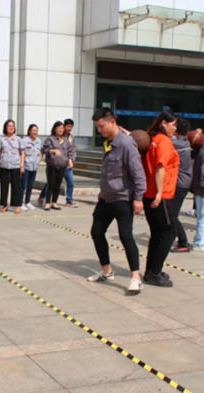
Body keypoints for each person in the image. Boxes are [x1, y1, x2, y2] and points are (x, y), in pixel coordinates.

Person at [87, 108, 146, 294]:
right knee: (96, 232)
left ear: (112, 121)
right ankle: (107, 271)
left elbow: (138, 172)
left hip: (122, 199)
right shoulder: (109, 142)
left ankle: (136, 277)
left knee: (126, 236)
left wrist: (138, 198)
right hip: (106, 198)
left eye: (101, 126)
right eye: (97, 127)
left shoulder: (127, 143)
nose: (99, 130)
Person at [142, 110, 179, 288]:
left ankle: (151, 271)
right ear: (164, 123)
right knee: (169, 232)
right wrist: (159, 192)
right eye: (173, 125)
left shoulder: (152, 139)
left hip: (149, 193)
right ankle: (154, 272)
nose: (175, 128)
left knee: (157, 234)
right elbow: (160, 167)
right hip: (161, 195)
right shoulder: (163, 141)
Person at [169, 117, 192, 253]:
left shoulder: (178, 143)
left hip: (180, 184)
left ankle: (183, 242)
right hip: (181, 182)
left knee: (172, 215)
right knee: (171, 214)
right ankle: (172, 237)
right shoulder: (185, 141)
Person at [42, 121, 75, 211]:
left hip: (62, 165)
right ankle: (47, 203)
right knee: (51, 184)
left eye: (62, 128)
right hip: (52, 165)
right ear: (55, 129)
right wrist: (53, 151)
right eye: (58, 128)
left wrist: (70, 160)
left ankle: (54, 202)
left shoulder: (65, 140)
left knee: (58, 185)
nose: (60, 130)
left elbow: (70, 151)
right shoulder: (50, 139)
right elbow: (45, 149)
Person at [0, 119, 25, 214]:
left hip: (15, 166)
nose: (11, 127)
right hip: (4, 166)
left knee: (16, 187)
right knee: (4, 187)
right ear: (5, 128)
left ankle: (17, 205)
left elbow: (22, 153)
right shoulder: (1, 140)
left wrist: (22, 165)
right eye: (9, 126)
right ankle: (4, 205)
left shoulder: (19, 139)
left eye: (13, 126)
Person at [20, 124, 42, 210]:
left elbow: (41, 152)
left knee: (30, 185)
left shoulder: (39, 141)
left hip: (34, 167)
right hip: (26, 166)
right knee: (23, 185)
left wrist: (39, 160)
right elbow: (22, 153)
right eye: (33, 130)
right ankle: (21, 202)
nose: (35, 132)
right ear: (29, 131)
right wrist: (21, 166)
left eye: (36, 130)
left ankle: (27, 202)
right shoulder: (25, 140)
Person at [63, 119, 78, 207]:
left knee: (71, 182)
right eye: (68, 126)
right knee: (52, 183)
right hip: (61, 163)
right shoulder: (61, 136)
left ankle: (69, 200)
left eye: (71, 127)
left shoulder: (71, 137)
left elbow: (73, 149)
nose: (69, 128)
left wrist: (72, 159)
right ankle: (43, 196)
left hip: (69, 164)